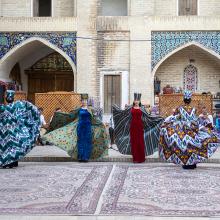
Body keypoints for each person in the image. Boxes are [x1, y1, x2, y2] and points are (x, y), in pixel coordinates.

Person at [159, 90, 220, 169]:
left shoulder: (179, 109)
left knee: (184, 146)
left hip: (183, 130)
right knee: (194, 146)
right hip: (192, 129)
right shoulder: (194, 109)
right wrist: (205, 124)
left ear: (184, 100)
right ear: (190, 100)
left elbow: (174, 118)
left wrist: (166, 124)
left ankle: (187, 163)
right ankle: (192, 163)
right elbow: (196, 119)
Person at [42, 94, 108, 162]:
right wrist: (60, 114)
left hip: (88, 127)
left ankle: (86, 158)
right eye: (82, 100)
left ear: (87, 101)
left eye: (85, 100)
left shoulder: (90, 109)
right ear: (81, 101)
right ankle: (81, 157)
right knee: (80, 142)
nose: (84, 102)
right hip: (80, 127)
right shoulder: (78, 109)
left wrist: (101, 123)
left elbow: (94, 118)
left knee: (87, 142)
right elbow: (70, 116)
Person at [112, 93, 163, 163]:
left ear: (139, 101)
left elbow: (147, 117)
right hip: (133, 127)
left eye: (138, 100)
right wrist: (116, 109)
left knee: (140, 142)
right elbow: (123, 113)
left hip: (140, 127)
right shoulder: (130, 108)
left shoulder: (142, 108)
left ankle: (141, 158)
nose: (136, 101)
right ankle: (135, 158)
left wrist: (158, 118)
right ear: (134, 101)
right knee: (134, 142)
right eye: (135, 100)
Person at [0, 90, 40, 168]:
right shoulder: (18, 105)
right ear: (13, 98)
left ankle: (8, 162)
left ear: (6, 98)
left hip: (4, 132)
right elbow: (31, 109)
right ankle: (14, 162)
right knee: (15, 146)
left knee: (7, 147)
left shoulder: (2, 108)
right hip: (16, 130)